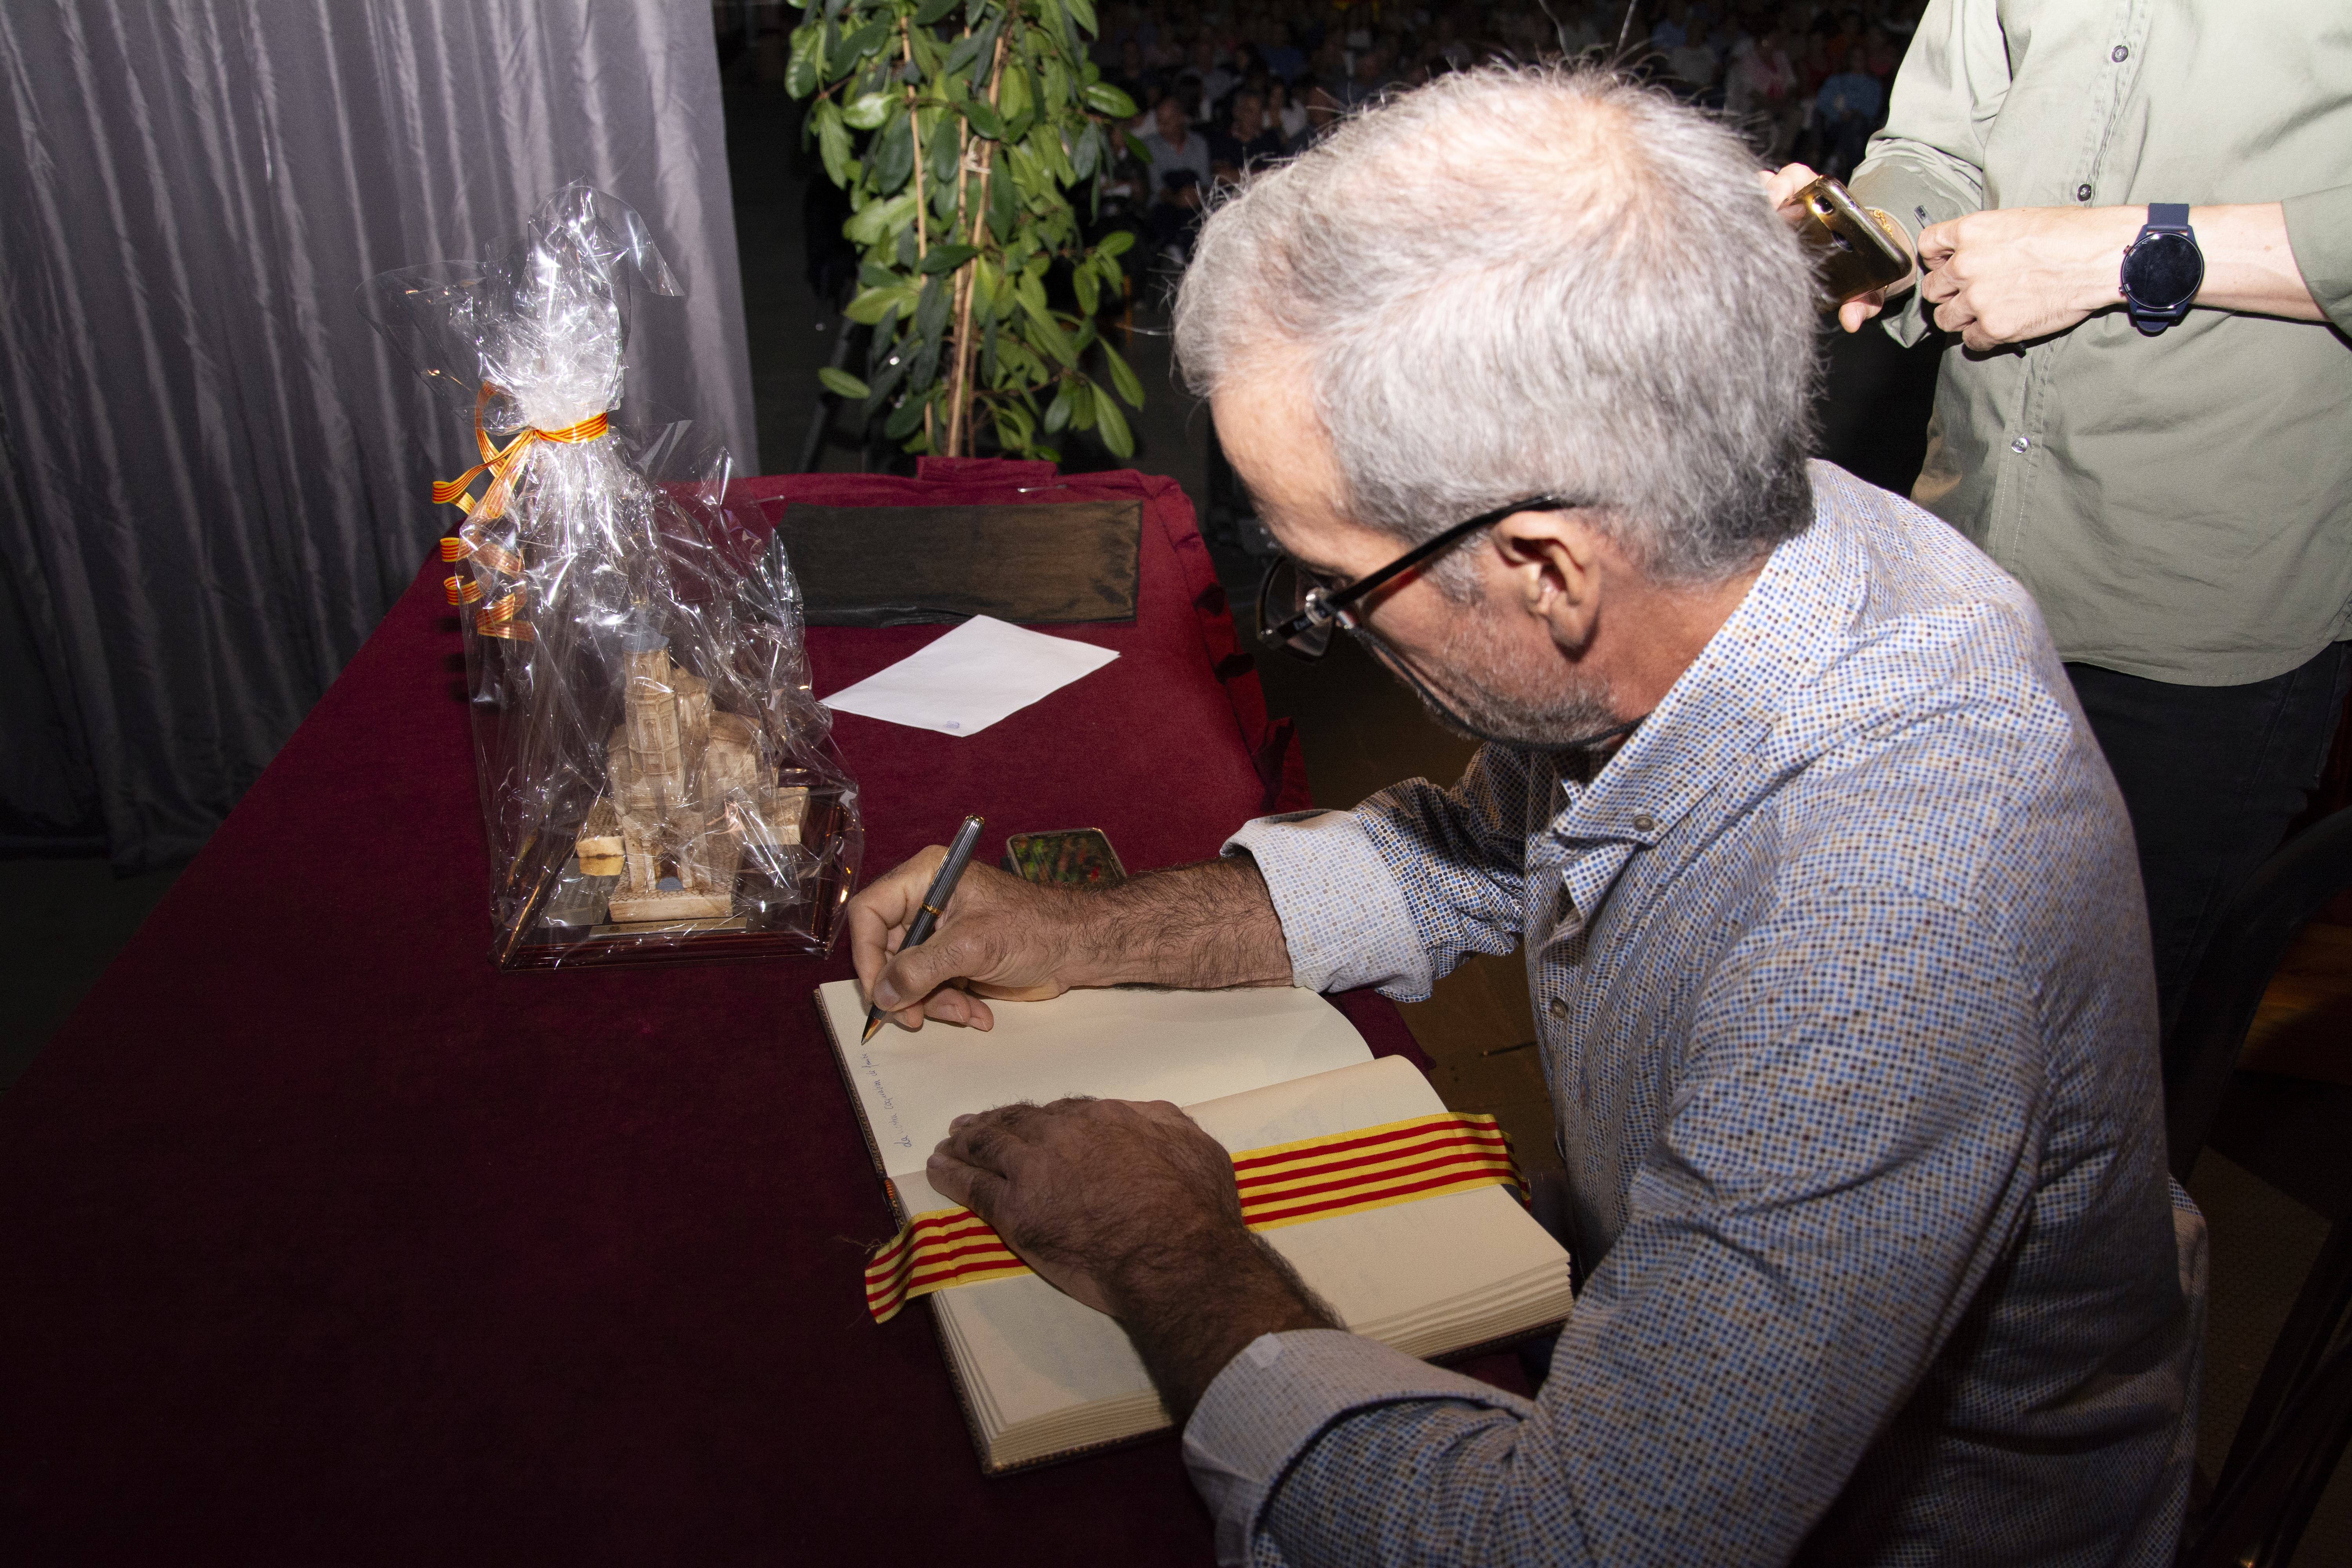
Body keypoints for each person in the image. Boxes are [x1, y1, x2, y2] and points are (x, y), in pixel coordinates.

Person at [849, 65, 2202, 1567]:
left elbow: (1576, 1545)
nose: (1327, 625)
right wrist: (1072, 931)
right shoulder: (1713, 546)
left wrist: (1168, 1250)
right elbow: (1469, 864)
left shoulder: (1888, 922)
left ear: (1549, 568)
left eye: (1334, 589)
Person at [1818, 0, 2352, 1054]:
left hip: (2199, 607)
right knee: (1889, 1029)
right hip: (1959, 572)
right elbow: (1937, 150)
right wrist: (1858, 233)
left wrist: (2134, 253)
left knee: (2096, 1075)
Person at [1137, 91, 1210, 264]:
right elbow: (1157, 188)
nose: (1162, 127)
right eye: (1159, 121)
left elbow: (1207, 182)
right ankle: (1173, 250)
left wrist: (1194, 195)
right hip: (1165, 205)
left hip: (1194, 201)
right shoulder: (1149, 146)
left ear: (1181, 118)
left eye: (1168, 121)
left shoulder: (1199, 143)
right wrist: (1177, 198)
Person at [1809, 43, 1881, 177]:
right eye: (1855, 57)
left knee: (1856, 125)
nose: (1858, 61)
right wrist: (1838, 115)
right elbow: (1822, 104)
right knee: (1853, 135)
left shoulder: (1873, 85)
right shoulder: (1836, 81)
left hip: (1862, 128)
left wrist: (1854, 113)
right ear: (1849, 59)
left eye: (1861, 58)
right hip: (1836, 126)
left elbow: (1873, 110)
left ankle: (1838, 158)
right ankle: (1843, 164)